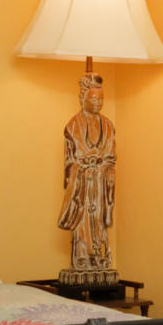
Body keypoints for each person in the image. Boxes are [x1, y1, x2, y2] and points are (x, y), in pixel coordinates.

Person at [58, 72, 116, 283]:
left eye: (101, 99)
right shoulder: (74, 124)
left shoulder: (108, 125)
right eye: (93, 98)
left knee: (98, 221)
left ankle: (99, 257)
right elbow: (73, 156)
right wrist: (83, 164)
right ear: (82, 98)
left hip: (100, 182)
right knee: (83, 220)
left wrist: (103, 164)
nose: (98, 103)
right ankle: (82, 257)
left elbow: (111, 154)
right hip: (82, 183)